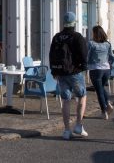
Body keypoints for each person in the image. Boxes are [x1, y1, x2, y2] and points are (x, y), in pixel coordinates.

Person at [49, 11, 89, 140]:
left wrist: (54, 71)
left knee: (66, 100)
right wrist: (83, 67)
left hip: (60, 72)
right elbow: (84, 55)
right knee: (82, 96)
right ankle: (78, 125)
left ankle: (66, 130)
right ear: (74, 23)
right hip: (74, 72)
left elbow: (51, 54)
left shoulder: (57, 37)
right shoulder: (77, 37)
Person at [87, 25, 114, 120]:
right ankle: (107, 103)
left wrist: (84, 65)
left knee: (99, 91)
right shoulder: (107, 44)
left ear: (95, 33)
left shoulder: (91, 43)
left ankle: (104, 111)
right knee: (101, 88)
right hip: (106, 69)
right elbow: (111, 57)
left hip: (95, 69)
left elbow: (87, 56)